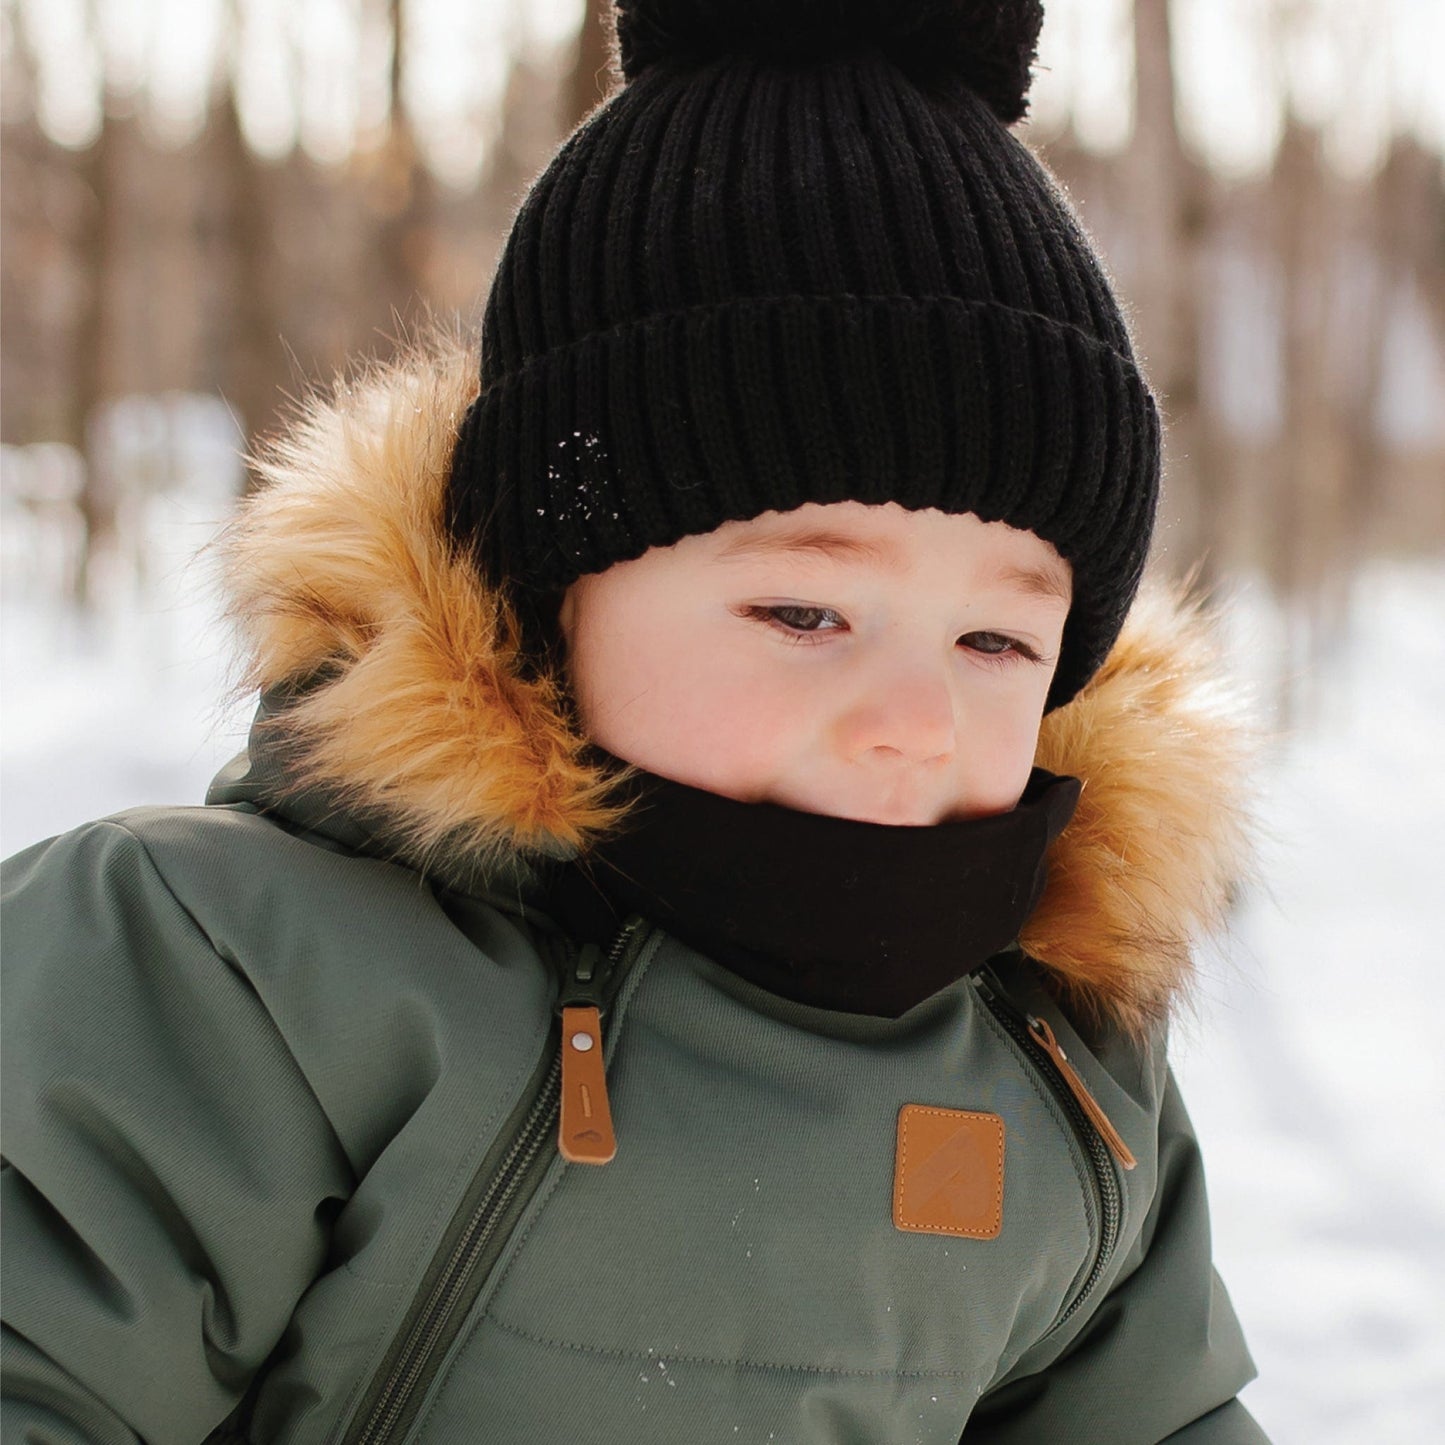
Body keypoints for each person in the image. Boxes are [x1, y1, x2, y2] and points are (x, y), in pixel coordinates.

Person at [1, 2, 1270, 1440]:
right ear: (550, 591)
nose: (913, 720)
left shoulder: (1061, 1071)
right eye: (804, 614)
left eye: (995, 639)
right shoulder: (228, 970)